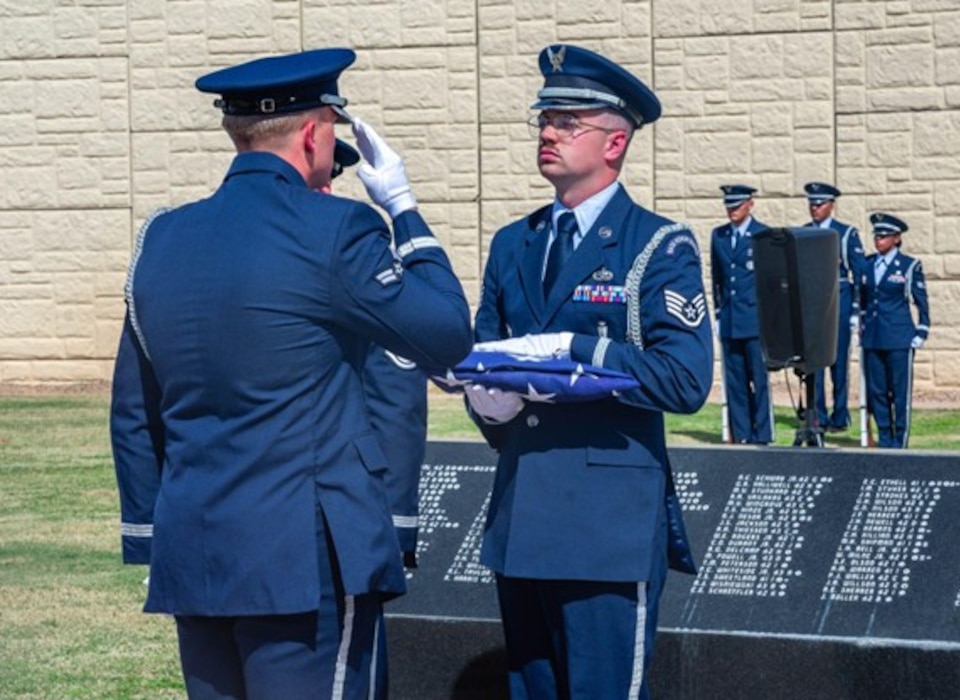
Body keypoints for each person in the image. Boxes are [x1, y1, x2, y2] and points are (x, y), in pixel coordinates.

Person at [110, 48, 472, 700]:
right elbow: (446, 335)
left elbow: (137, 409)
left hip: (197, 548)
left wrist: (149, 531)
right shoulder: (337, 228)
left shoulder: (159, 239)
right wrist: (404, 208)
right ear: (313, 133)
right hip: (304, 560)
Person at [469, 44, 713, 699]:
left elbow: (686, 379)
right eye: (544, 119)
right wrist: (484, 399)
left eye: (568, 122)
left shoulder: (658, 245)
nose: (548, 132)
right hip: (523, 515)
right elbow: (485, 352)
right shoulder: (512, 243)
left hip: (606, 526)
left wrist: (579, 353)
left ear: (614, 142)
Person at [329, 138, 429, 567]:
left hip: (332, 506)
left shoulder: (360, 263)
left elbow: (394, 401)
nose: (327, 192)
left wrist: (395, 523)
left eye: (330, 179)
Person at [859, 212, 930, 448]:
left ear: (897, 238)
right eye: (877, 236)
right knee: (877, 392)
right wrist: (857, 322)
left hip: (899, 337)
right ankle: (885, 439)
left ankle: (900, 441)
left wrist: (922, 330)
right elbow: (864, 300)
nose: (879, 240)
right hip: (873, 337)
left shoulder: (909, 266)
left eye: (884, 236)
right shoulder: (868, 264)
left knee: (900, 393)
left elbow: (921, 301)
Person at [710, 184, 773, 444]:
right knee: (735, 383)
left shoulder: (763, 235)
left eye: (736, 205)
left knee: (759, 380)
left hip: (755, 321)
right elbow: (718, 278)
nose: (731, 210)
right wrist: (717, 313)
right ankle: (742, 434)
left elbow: (770, 281)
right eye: (728, 205)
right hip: (730, 319)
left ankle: (763, 434)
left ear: (750, 204)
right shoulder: (719, 236)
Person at [801, 182, 866, 432]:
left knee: (838, 362)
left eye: (819, 204)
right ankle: (818, 414)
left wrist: (856, 310)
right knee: (814, 363)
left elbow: (857, 273)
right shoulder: (804, 231)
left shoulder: (845, 233)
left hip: (839, 301)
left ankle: (840, 414)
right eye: (812, 204)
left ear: (831, 205)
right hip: (813, 306)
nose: (814, 209)